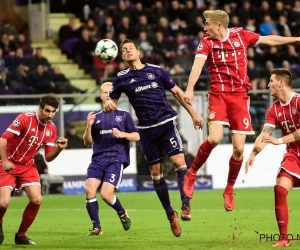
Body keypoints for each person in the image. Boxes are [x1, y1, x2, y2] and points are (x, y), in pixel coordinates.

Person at [183, 9, 300, 212]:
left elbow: (269, 40)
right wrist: (190, 88)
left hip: (239, 97)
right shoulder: (206, 42)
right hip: (218, 94)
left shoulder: (241, 35)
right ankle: (191, 173)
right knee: (214, 139)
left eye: (207, 24)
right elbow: (197, 66)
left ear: (219, 25)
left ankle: (229, 189)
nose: (204, 27)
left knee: (238, 149)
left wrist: (296, 39)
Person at [105, 39, 204, 237]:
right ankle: (170, 214)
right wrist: (109, 104)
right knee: (156, 174)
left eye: (130, 48)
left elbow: (176, 92)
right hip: (146, 131)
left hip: (166, 124)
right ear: (122, 56)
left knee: (179, 162)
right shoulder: (121, 78)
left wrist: (194, 113)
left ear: (139, 52)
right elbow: (111, 100)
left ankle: (185, 203)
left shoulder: (157, 71)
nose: (127, 51)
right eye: (124, 50)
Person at [0, 93, 68, 245]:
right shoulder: (24, 118)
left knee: (36, 199)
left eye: (53, 112)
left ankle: (21, 236)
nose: (50, 115)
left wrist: (59, 149)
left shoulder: (51, 129)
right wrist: (4, 161)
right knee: (3, 203)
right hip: (8, 162)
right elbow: (3, 139)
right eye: (47, 111)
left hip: (27, 166)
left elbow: (48, 157)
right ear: (40, 109)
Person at [245, 68, 299, 247]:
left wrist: (280, 140)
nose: (268, 84)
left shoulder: (299, 101)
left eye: (271, 81)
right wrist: (254, 153)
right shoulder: (273, 109)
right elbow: (265, 135)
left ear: (281, 83)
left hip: (290, 146)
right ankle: (284, 238)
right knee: (280, 189)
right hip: (293, 155)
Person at [83, 82, 139, 236]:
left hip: (116, 159)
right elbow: (87, 142)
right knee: (89, 190)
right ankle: (97, 228)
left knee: (106, 195)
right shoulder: (96, 118)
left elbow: (137, 135)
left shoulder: (124, 115)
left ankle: (122, 212)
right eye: (105, 92)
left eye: (110, 92)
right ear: (101, 96)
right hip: (98, 159)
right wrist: (88, 126)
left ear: (116, 95)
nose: (107, 94)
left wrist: (123, 135)